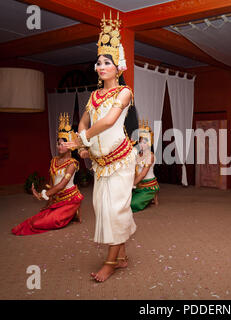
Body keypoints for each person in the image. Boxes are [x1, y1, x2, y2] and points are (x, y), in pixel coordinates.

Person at [65, 14, 138, 282]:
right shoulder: (94, 95)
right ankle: (120, 255)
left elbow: (108, 122)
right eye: (98, 62)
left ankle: (110, 263)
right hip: (101, 162)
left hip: (120, 160)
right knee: (105, 209)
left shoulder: (124, 92)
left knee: (116, 209)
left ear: (118, 66)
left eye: (107, 62)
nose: (101, 66)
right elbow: (85, 120)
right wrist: (85, 145)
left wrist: (81, 140)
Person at [12, 113, 83, 236]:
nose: (59, 146)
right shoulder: (54, 161)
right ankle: (65, 214)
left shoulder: (72, 164)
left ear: (70, 145)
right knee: (35, 220)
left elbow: (61, 186)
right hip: (57, 199)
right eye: (58, 143)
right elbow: (52, 184)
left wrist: (41, 195)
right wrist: (48, 201)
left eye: (62, 144)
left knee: (43, 223)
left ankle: (73, 211)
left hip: (70, 199)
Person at [131, 120, 159, 212]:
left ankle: (150, 196)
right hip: (138, 186)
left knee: (132, 205)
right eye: (140, 142)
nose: (142, 145)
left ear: (149, 143)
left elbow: (143, 174)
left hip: (148, 187)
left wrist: (131, 185)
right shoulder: (138, 155)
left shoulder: (150, 156)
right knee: (123, 202)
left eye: (144, 142)